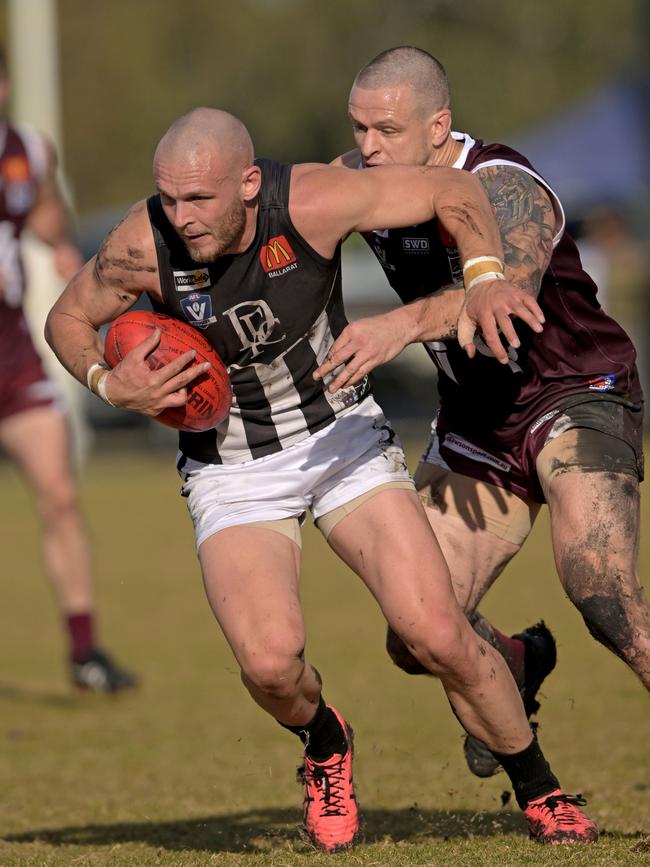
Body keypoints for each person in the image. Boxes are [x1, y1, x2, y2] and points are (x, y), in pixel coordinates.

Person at [45, 107, 597, 849]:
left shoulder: (314, 199)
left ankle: (540, 787)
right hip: (231, 464)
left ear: (248, 183)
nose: (182, 216)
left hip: (340, 437)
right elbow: (67, 319)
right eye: (169, 197)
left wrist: (485, 278)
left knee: (434, 630)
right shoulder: (144, 244)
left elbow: (456, 195)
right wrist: (113, 387)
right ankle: (325, 742)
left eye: (200, 199)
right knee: (272, 665)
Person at [316, 46, 649, 779]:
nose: (368, 147)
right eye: (358, 128)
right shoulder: (361, 182)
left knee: (603, 594)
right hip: (477, 419)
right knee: (416, 632)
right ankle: (516, 661)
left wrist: (395, 325)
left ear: (440, 127)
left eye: (387, 130)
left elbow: (500, 295)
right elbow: (271, 214)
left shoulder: (505, 185)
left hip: (574, 390)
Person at [0, 50, 136, 692]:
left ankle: (85, 653)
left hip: (14, 357)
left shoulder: (27, 150)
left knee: (58, 494)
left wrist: (57, 242)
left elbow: (42, 206)